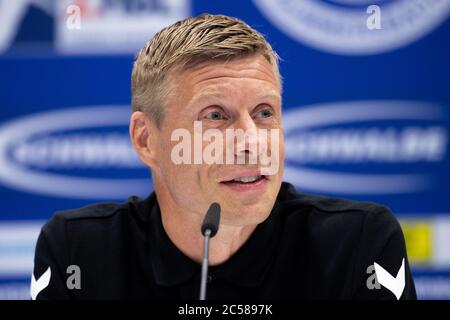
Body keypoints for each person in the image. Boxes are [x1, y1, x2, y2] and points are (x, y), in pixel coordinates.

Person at [31, 13, 416, 300]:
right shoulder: (77, 252)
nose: (252, 141)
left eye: (265, 112)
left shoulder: (357, 243)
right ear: (146, 139)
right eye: (215, 116)